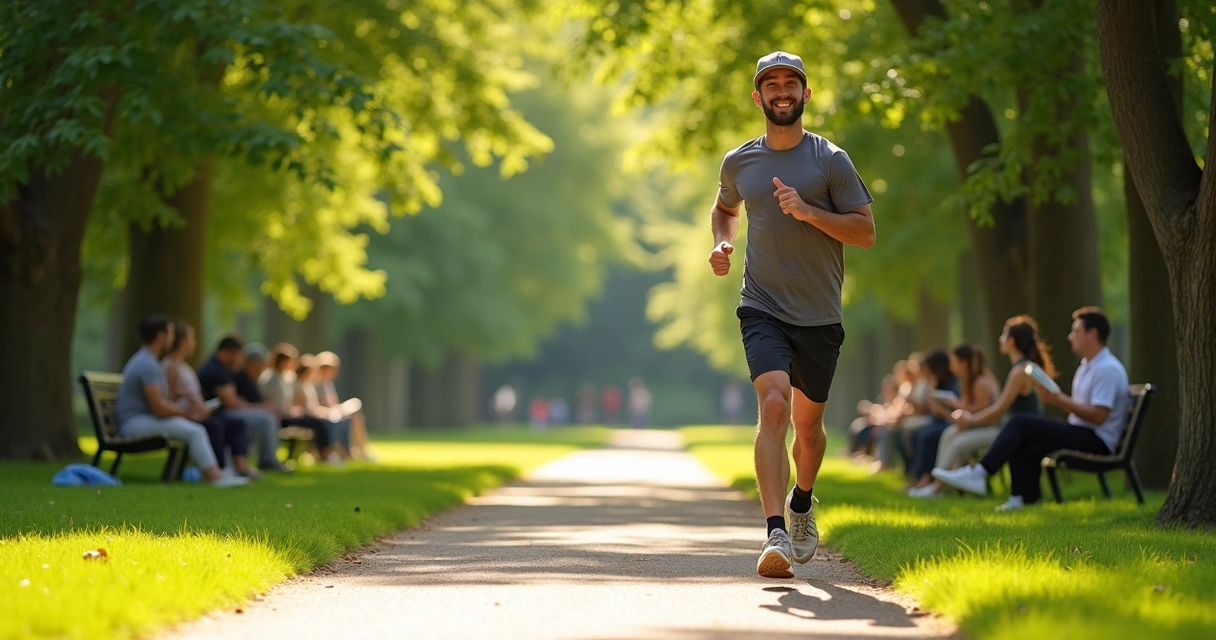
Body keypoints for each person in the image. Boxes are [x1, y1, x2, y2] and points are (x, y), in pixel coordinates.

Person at [710, 51, 876, 578]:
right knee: (774, 405)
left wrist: (809, 212)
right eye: (771, 84)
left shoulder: (831, 160)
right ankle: (774, 531)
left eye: (791, 83)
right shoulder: (739, 162)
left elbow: (865, 232)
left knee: (808, 430)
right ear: (758, 97)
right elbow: (725, 208)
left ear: (806, 94)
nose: (782, 91)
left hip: (820, 314)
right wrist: (721, 243)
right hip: (761, 304)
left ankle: (803, 501)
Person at [934, 307, 1131, 511]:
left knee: (1019, 422)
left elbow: (1099, 416)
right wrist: (1058, 400)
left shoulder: (1107, 369)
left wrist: (1059, 400)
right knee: (1024, 435)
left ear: (1093, 334)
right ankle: (1022, 497)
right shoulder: (1086, 366)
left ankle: (980, 473)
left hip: (1098, 440)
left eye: (1076, 331)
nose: (1070, 336)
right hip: (1082, 431)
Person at [114, 315, 248, 487]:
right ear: (161, 336)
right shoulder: (147, 364)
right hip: (133, 424)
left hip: (140, 419)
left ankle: (218, 474)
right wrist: (188, 413)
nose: (172, 338)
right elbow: (159, 408)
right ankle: (214, 477)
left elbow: (161, 403)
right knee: (195, 431)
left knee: (196, 428)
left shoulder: (149, 361)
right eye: (170, 333)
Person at [933, 317, 1049, 481]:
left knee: (958, 442)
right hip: (1012, 429)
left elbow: (999, 409)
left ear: (1011, 342)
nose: (1000, 339)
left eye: (1003, 335)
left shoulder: (1020, 371)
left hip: (1015, 431)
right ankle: (939, 483)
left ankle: (947, 483)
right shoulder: (1023, 368)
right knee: (952, 434)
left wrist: (970, 420)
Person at [162, 322, 259, 479]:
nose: (194, 342)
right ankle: (219, 469)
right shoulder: (171, 366)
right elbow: (169, 398)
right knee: (215, 425)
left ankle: (241, 467)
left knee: (236, 422)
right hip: (186, 414)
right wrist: (187, 402)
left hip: (196, 412)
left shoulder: (185, 366)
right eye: (191, 338)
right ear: (182, 342)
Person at [907, 344, 998, 497]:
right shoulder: (967, 381)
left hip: (990, 428)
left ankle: (937, 487)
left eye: (953, 362)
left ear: (964, 363)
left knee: (956, 442)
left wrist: (955, 406)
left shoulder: (981, 382)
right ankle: (937, 483)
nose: (951, 366)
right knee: (948, 433)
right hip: (978, 426)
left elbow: (983, 412)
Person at [196, 335, 289, 473]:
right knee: (265, 418)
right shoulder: (216, 370)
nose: (240, 360)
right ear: (230, 352)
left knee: (261, 417)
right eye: (239, 355)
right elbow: (231, 402)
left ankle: (248, 464)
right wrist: (260, 408)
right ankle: (267, 460)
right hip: (215, 414)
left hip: (218, 412)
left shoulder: (222, 368)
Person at [259, 344, 335, 463]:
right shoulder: (271, 378)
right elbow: (271, 401)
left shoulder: (284, 377)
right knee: (318, 423)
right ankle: (325, 456)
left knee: (319, 423)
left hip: (287, 414)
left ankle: (325, 454)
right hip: (280, 416)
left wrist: (292, 409)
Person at [905, 350, 962, 494]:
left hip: (949, 422)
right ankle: (917, 476)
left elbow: (947, 414)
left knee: (927, 436)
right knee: (914, 434)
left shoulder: (954, 383)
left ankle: (925, 478)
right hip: (939, 421)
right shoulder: (937, 382)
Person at [316, 351, 373, 460]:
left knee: (356, 416)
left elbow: (333, 403)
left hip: (334, 412)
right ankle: (345, 452)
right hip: (325, 415)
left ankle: (360, 449)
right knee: (344, 421)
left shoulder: (328, 384)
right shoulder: (316, 384)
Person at [294, 354, 351, 463]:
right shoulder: (301, 385)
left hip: (316, 413)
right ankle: (326, 454)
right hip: (309, 416)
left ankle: (343, 452)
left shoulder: (308, 385)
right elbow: (304, 407)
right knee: (327, 423)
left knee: (342, 421)